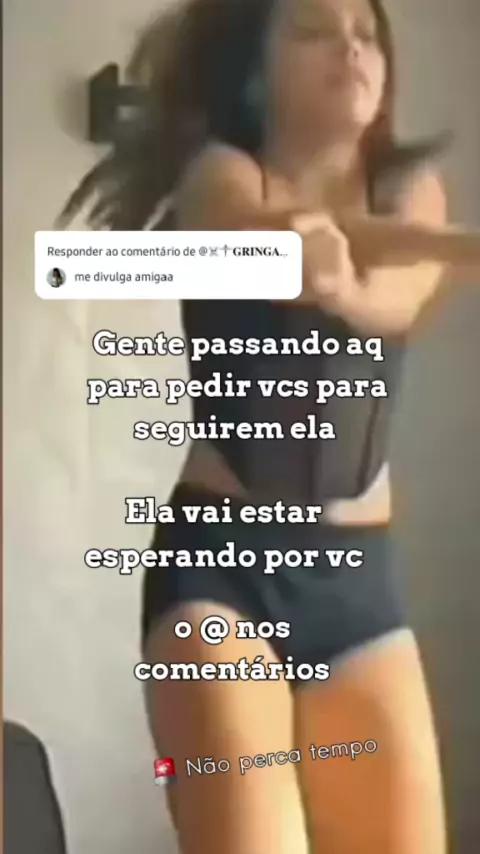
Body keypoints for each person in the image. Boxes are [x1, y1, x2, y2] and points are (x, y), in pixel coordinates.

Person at [59, 0, 480, 851]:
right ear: (257, 71)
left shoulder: (411, 192)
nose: (351, 51)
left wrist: (354, 277)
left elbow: (393, 302)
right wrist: (306, 247)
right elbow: (259, 241)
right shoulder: (221, 174)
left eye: (366, 35)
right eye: (316, 31)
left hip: (358, 584)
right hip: (220, 572)